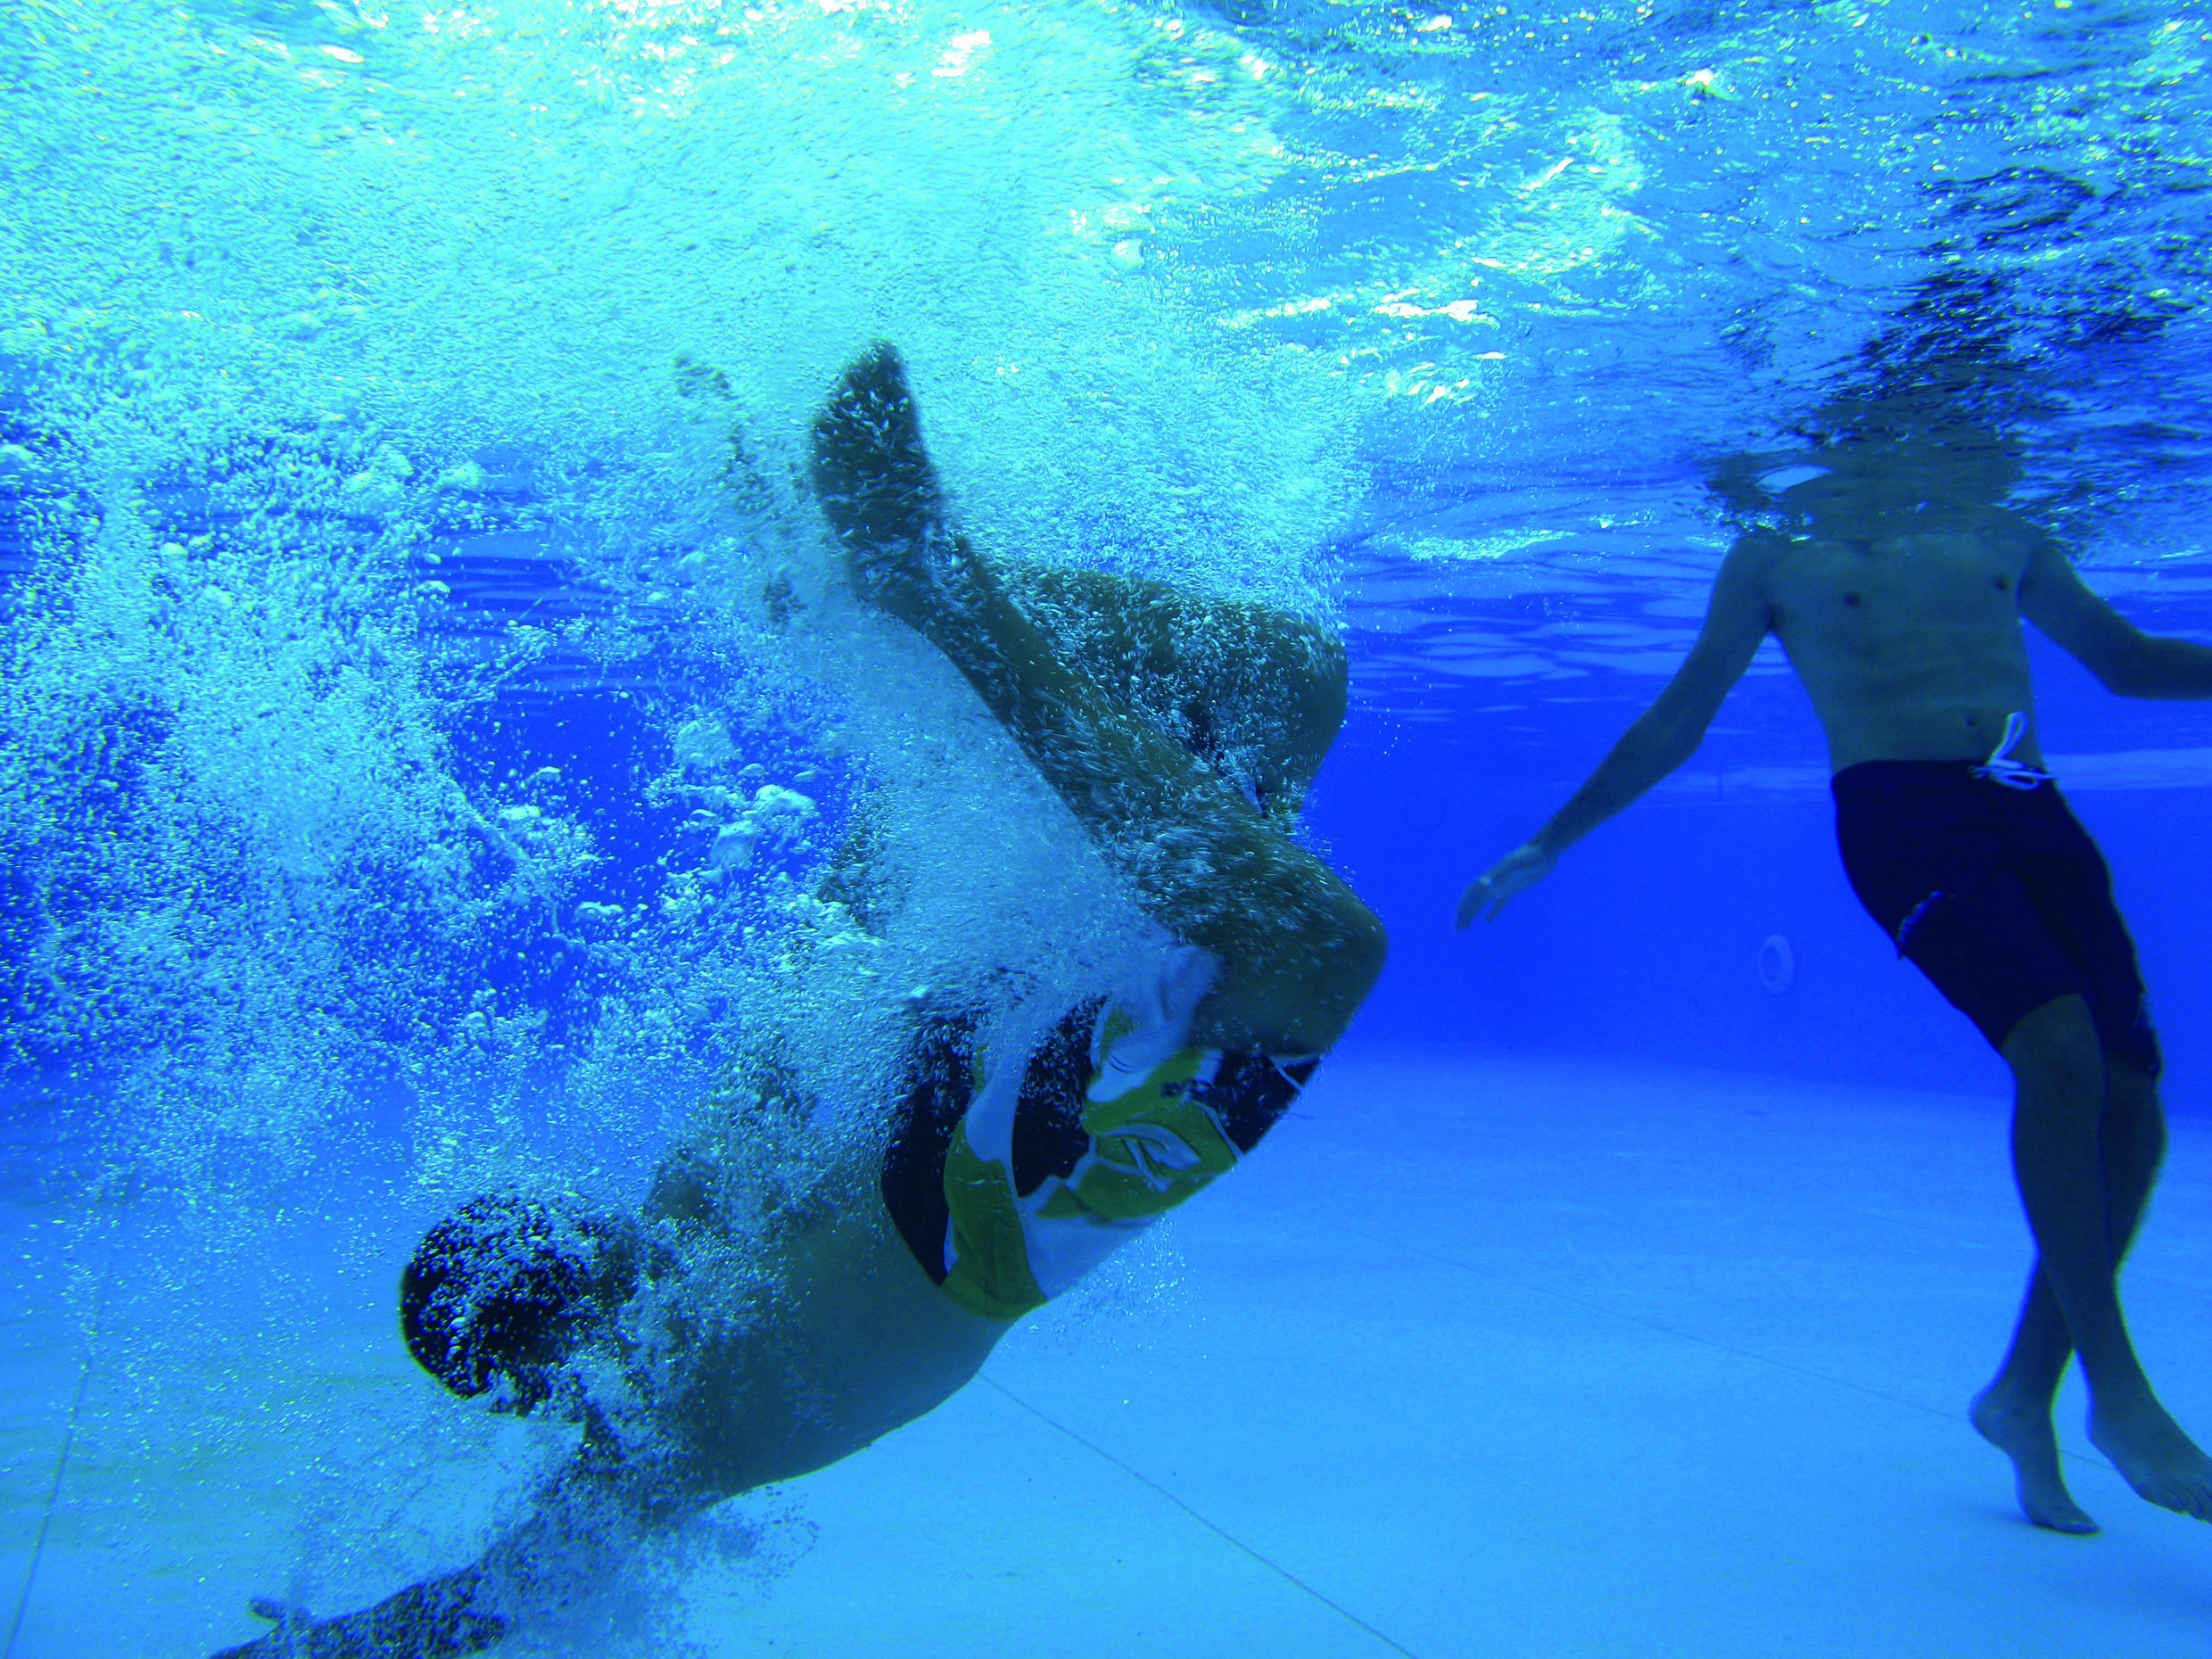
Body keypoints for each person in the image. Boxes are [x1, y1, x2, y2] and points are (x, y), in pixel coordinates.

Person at [207, 343, 1384, 1658]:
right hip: (1002, 1197)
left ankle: (872, 596)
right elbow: (496, 1599)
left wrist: (901, 826)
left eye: (595, 1242)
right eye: (592, 1274)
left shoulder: (661, 1267)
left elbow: (779, 1040)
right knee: (1317, 906)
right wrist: (333, 1649)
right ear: (554, 1365)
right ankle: (923, 597)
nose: (624, 1254)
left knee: (1285, 687)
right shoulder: (652, 1435)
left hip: (975, 1108)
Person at [1459, 392, 2212, 1535]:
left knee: (2136, 1107)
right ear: (1859, 429)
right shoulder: (1777, 553)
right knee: (2058, 1052)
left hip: (2027, 803)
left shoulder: (2004, 532)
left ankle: (2019, 1397)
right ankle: (2118, 1394)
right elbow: (1679, 718)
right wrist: (1552, 837)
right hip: (1899, 812)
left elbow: (2129, 663)